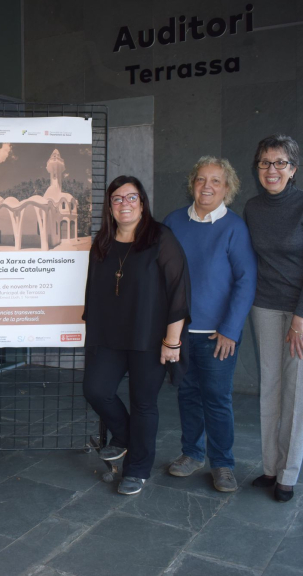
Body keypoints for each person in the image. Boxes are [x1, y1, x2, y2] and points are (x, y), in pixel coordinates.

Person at [82, 175, 190, 496]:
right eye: (117, 199)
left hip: (149, 338)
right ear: (110, 207)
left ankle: (138, 469)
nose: (124, 204)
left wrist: (173, 341)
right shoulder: (101, 243)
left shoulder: (161, 238)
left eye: (131, 198)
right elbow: (94, 294)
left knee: (144, 404)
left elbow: (179, 291)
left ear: (142, 203)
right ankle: (127, 436)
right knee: (96, 389)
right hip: (109, 338)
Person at [163, 157, 257, 492]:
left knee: (217, 398)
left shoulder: (234, 227)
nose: (207, 186)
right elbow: (161, 276)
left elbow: (246, 280)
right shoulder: (173, 222)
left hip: (219, 334)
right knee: (187, 395)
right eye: (201, 179)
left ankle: (223, 464)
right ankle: (192, 454)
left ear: (227, 188)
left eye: (216, 181)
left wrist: (231, 329)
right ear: (192, 184)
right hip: (181, 332)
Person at [244, 135, 303, 502]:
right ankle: (269, 467)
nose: (272, 170)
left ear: (293, 169)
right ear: (257, 168)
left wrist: (299, 318)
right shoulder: (252, 208)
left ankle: (288, 474)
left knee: (297, 394)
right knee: (271, 388)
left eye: (280, 163)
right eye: (265, 162)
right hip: (265, 305)